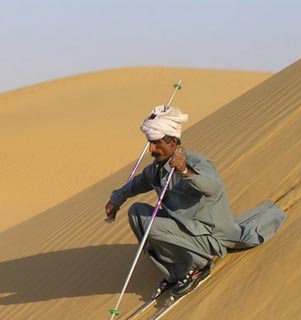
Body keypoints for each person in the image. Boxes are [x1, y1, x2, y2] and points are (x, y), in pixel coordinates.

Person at [105, 105, 286, 298]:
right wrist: (116, 199)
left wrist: (184, 171)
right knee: (136, 212)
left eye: (156, 143)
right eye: (150, 143)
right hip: (185, 230)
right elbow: (137, 184)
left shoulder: (196, 163)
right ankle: (175, 271)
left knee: (152, 225)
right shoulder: (157, 169)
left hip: (209, 234)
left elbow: (212, 187)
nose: (151, 149)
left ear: (173, 141)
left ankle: (197, 265)